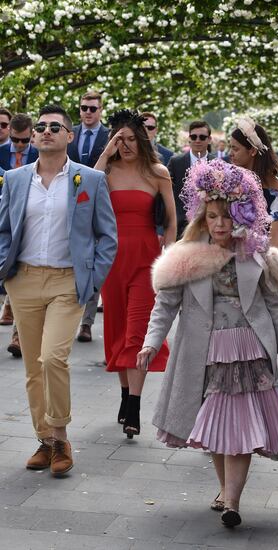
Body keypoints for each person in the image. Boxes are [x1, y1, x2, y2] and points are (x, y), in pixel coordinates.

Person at [137, 159, 278, 528]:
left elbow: (274, 307)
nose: (219, 224)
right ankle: (225, 490)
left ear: (242, 215)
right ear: (202, 216)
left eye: (227, 217)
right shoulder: (183, 258)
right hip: (205, 353)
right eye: (212, 217)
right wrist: (151, 343)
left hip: (250, 351)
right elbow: (164, 306)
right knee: (216, 426)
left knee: (240, 429)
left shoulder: (257, 254)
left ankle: (232, 501)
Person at [0, 104, 117, 476]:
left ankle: (62, 435)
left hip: (68, 281)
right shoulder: (16, 179)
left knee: (53, 358)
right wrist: (5, 269)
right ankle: (44, 440)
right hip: (24, 280)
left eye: (55, 127)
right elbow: (3, 228)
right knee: (34, 366)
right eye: (41, 127)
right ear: (33, 137)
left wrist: (92, 279)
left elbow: (107, 237)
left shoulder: (89, 180)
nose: (46, 131)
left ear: (70, 136)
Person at [95, 109, 176, 438]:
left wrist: (167, 256)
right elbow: (83, 191)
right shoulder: (107, 171)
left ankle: (135, 406)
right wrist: (105, 153)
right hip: (112, 261)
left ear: (141, 140)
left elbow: (171, 221)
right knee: (116, 332)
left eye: (130, 139)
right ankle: (126, 395)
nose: (125, 145)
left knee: (137, 333)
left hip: (146, 261)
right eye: (119, 139)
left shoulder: (157, 172)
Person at [67, 90, 110, 344]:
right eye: (84, 108)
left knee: (92, 261)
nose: (88, 113)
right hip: (69, 203)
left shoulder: (109, 136)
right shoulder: (69, 133)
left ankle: (86, 322)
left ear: (100, 110)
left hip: (98, 204)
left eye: (93, 108)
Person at [0, 113, 39, 356]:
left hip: (28, 223)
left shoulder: (39, 155)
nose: (20, 145)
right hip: (4, 220)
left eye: (24, 140)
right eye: (16, 140)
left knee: (23, 272)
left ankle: (18, 333)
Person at [229, 116, 278, 250]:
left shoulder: (276, 186)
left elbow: (276, 235)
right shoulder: (227, 180)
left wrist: (272, 265)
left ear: (253, 151)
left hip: (260, 257)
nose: (230, 153)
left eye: (235, 149)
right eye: (230, 148)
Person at [167, 120, 215, 238]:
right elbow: (165, 193)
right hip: (180, 227)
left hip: (211, 229)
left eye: (202, 137)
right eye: (194, 137)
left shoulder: (218, 163)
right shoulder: (175, 162)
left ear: (209, 139)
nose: (197, 140)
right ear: (189, 138)